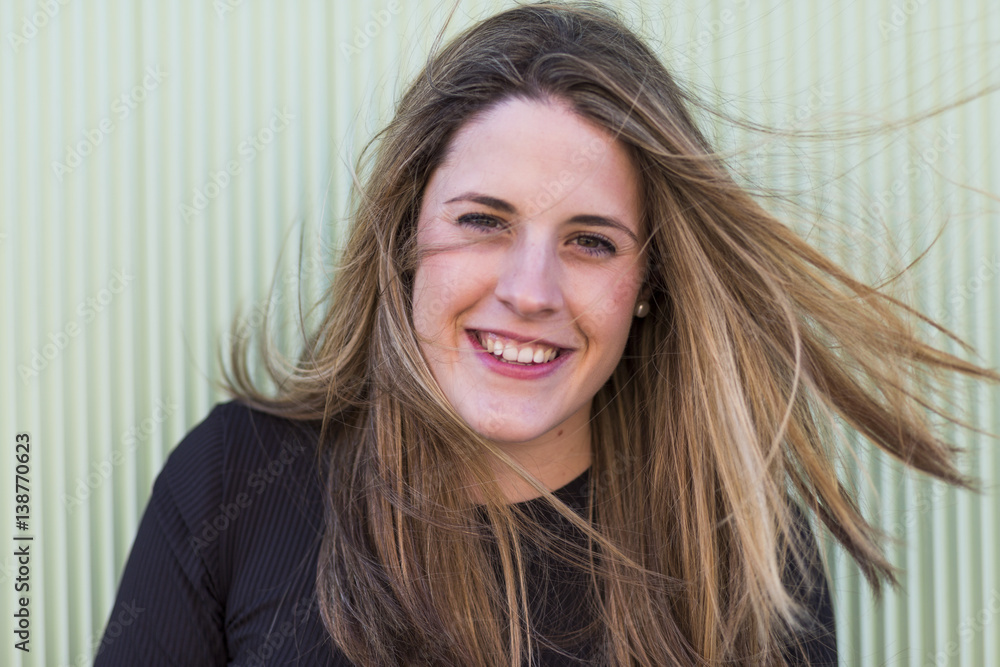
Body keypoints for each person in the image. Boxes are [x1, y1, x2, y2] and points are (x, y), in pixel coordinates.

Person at [95, 2, 997, 665]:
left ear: (648, 284)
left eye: (590, 241)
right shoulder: (236, 480)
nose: (530, 292)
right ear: (405, 237)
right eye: (484, 221)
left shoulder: (742, 544)